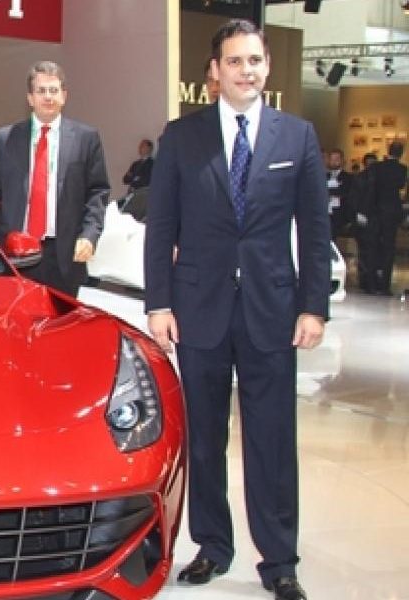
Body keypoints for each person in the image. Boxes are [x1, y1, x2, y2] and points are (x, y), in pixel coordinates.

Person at [144, 20, 329, 600]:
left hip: (273, 312)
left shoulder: (296, 137)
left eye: (254, 60)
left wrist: (314, 307)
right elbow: (162, 226)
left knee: (272, 440)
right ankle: (212, 546)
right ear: (214, 71)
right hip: (198, 308)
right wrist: (159, 302)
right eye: (234, 61)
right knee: (203, 437)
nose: (246, 71)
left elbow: (316, 229)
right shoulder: (182, 137)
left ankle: (280, 560)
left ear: (267, 66)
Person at [0, 60, 109, 297]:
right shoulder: (7, 138)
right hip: (17, 253)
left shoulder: (86, 139)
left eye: (53, 90)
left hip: (64, 254)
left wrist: (89, 235)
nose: (48, 97)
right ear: (30, 98)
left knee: (61, 319)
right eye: (41, 91)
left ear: (64, 96)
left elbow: (97, 191)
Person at [365, 141, 406, 295]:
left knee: (373, 247)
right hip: (391, 212)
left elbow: (371, 188)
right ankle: (384, 285)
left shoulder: (377, 167)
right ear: (401, 153)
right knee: (389, 248)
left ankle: (370, 283)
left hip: (376, 211)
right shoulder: (402, 169)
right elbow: (400, 185)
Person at [352, 152, 381, 292]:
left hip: (373, 219)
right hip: (365, 219)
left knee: (370, 252)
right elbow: (354, 198)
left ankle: (369, 281)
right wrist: (358, 214)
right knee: (365, 252)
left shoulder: (373, 178)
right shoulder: (361, 178)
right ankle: (366, 280)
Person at [324, 148, 352, 242]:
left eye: (337, 159)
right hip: (326, 213)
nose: (334, 162)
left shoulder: (348, 177)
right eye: (332, 159)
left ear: (342, 160)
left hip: (340, 214)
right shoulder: (324, 176)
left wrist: (330, 192)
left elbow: (345, 192)